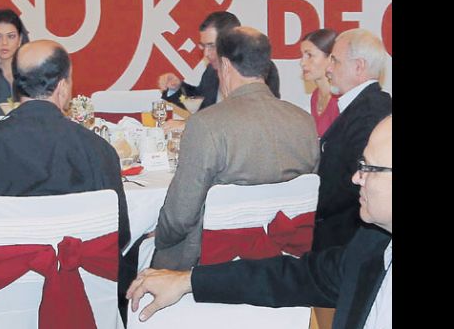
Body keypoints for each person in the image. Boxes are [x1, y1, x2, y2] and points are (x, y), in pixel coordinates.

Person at [127, 115, 392, 329]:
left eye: (370, 168)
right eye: (361, 165)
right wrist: (188, 280)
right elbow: (291, 276)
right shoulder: (373, 244)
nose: (357, 178)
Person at [0, 40, 130, 324]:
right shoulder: (98, 150)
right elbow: (118, 237)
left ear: (16, 85)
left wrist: (8, 267)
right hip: (83, 300)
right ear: (63, 86)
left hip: (0, 300)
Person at [151, 27, 319, 270]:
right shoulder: (304, 121)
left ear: (226, 66)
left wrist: (158, 236)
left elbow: (179, 219)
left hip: (210, 265)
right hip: (286, 263)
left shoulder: (206, 125)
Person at [313, 28, 392, 251]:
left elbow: (356, 181)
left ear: (358, 66)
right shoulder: (366, 106)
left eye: (335, 61)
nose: (328, 68)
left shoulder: (369, 112)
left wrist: (312, 205)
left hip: (346, 244)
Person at [300, 28, 340, 137]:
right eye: (302, 56)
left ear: (331, 58)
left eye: (309, 55)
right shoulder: (315, 96)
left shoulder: (342, 100)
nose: (302, 63)